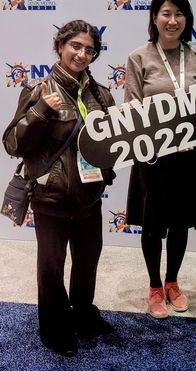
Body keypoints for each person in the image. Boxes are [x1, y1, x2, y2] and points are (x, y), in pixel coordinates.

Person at [3, 20, 116, 356]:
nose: (81, 54)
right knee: (51, 266)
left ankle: (82, 315)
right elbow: (12, 144)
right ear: (61, 46)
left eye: (89, 50)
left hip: (89, 196)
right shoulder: (40, 90)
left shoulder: (101, 94)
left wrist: (106, 173)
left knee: (87, 260)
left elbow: (112, 142)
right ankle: (54, 329)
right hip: (51, 196)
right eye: (76, 46)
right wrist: (40, 111)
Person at [124, 0, 196, 319]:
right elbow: (132, 108)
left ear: (187, 20)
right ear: (154, 18)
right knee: (153, 226)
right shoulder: (139, 58)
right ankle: (153, 287)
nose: (172, 20)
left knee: (180, 224)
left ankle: (172, 282)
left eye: (179, 14)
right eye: (166, 13)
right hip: (153, 157)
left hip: (189, 155)